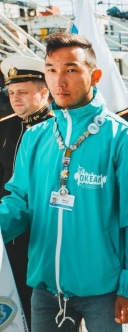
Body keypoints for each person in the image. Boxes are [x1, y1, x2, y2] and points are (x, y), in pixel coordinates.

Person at [0, 32, 128, 331]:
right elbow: (19, 203)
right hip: (46, 289)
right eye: (51, 70)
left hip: (105, 291)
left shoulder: (124, 138)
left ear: (94, 76)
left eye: (71, 69)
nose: (59, 81)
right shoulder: (35, 137)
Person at [0, 55, 53, 329]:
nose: (15, 99)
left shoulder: (57, 129)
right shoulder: (5, 126)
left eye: (22, 92)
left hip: (44, 237)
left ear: (44, 93)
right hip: (8, 236)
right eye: (11, 93)